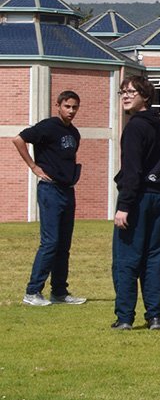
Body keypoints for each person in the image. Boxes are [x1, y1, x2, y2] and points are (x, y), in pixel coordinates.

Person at [111, 75, 160, 330]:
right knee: (153, 259)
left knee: (126, 259)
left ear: (146, 97)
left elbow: (132, 170)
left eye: (132, 91)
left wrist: (124, 206)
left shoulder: (134, 127)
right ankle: (154, 316)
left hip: (138, 198)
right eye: (123, 92)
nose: (126, 96)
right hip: (155, 200)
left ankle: (125, 318)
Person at [13, 90, 86, 307]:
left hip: (67, 191)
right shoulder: (47, 126)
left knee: (64, 245)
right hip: (50, 190)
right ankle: (32, 292)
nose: (71, 111)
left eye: (75, 107)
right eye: (67, 106)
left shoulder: (74, 133)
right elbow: (18, 139)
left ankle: (59, 292)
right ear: (58, 106)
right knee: (50, 242)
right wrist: (34, 167)